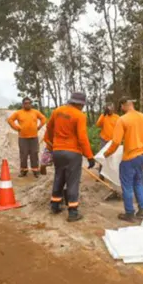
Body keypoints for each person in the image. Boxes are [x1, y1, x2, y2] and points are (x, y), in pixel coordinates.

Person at [45, 91, 95, 222]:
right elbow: (82, 137)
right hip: (73, 153)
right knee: (72, 181)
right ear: (80, 104)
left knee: (59, 177)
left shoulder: (57, 111)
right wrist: (89, 156)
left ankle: (55, 205)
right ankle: (73, 212)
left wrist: (51, 144)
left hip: (57, 151)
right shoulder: (79, 116)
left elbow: (49, 128)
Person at [104, 98, 143, 222]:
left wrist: (107, 153)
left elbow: (116, 142)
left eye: (121, 107)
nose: (121, 109)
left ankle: (129, 213)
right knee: (139, 183)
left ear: (124, 105)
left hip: (129, 157)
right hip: (142, 156)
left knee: (127, 186)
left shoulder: (122, 119)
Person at [7, 97, 47, 178]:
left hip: (34, 137)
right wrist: (16, 127)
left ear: (31, 104)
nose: (27, 104)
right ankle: (23, 171)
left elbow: (43, 118)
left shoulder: (35, 112)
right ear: (23, 104)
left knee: (34, 154)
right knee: (23, 154)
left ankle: (35, 171)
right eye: (25, 103)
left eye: (29, 103)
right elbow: (10, 120)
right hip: (23, 138)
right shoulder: (18, 113)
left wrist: (39, 126)